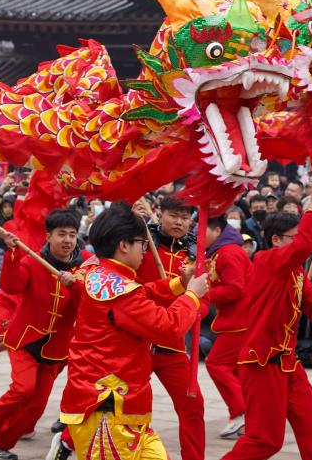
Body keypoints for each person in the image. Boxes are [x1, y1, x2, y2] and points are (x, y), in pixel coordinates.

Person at [58, 203, 207, 460]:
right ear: (124, 245)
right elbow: (168, 327)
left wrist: (180, 283)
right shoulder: (119, 289)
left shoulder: (101, 272)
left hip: (121, 409)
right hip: (109, 409)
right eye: (141, 243)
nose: (145, 249)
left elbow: (143, 293)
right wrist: (192, 295)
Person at [222, 179, 312, 460]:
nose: (301, 241)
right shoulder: (266, 262)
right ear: (276, 240)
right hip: (262, 362)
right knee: (264, 440)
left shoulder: (296, 272)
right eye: (293, 236)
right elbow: (303, 246)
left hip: (288, 362)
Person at [0, 210, 83, 460]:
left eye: (72, 235)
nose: (67, 240)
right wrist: (12, 254)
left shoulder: (82, 268)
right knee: (23, 390)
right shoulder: (32, 261)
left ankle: (2, 443)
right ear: (48, 236)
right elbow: (11, 286)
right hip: (24, 339)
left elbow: (86, 306)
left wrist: (75, 286)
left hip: (55, 348)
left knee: (36, 406)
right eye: (61, 234)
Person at [135, 196, 205, 460]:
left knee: (193, 404)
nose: (179, 222)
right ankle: (68, 439)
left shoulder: (195, 255)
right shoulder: (142, 244)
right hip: (138, 340)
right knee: (122, 402)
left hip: (172, 344)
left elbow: (204, 300)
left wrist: (192, 302)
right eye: (173, 215)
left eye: (185, 217)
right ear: (160, 214)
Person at [203, 215, 252, 439]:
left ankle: (240, 412)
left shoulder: (229, 252)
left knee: (217, 364)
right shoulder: (220, 252)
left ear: (216, 231)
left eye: (202, 230)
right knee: (236, 370)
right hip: (238, 319)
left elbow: (235, 288)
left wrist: (205, 293)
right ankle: (248, 415)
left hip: (239, 321)